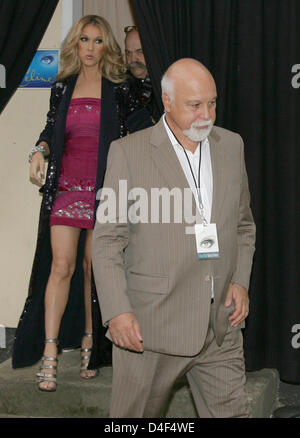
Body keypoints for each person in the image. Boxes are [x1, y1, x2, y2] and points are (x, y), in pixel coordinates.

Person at [92, 58, 256, 418]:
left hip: (220, 327)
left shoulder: (232, 146)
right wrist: (117, 311)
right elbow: (106, 241)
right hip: (151, 330)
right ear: (167, 102)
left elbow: (244, 226)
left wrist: (240, 281)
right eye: (194, 105)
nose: (206, 114)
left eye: (212, 103)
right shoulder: (128, 153)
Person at [12, 15, 151, 392]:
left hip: (104, 192)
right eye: (83, 40)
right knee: (61, 265)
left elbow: (141, 128)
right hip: (67, 189)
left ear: (106, 47)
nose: (89, 48)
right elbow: (49, 129)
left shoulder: (119, 89)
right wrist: (39, 150)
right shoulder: (62, 88)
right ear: (76, 44)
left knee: (94, 268)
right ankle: (51, 351)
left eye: (97, 41)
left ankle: (91, 341)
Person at [123, 25, 160, 126]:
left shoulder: (167, 86)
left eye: (140, 52)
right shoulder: (120, 88)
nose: (133, 59)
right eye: (128, 53)